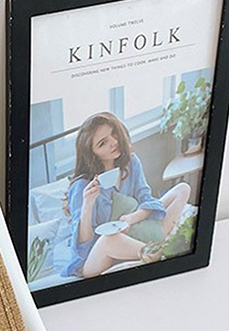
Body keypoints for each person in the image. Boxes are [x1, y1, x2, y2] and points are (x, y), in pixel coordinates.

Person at [62, 111, 190, 279]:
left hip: (133, 233)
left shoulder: (131, 162)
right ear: (92, 153)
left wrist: (132, 218)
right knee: (109, 239)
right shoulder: (81, 186)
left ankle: (148, 246)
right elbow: (82, 246)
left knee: (182, 189)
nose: (114, 142)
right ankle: (155, 253)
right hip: (96, 255)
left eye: (113, 133)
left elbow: (147, 199)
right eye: (102, 143)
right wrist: (88, 204)